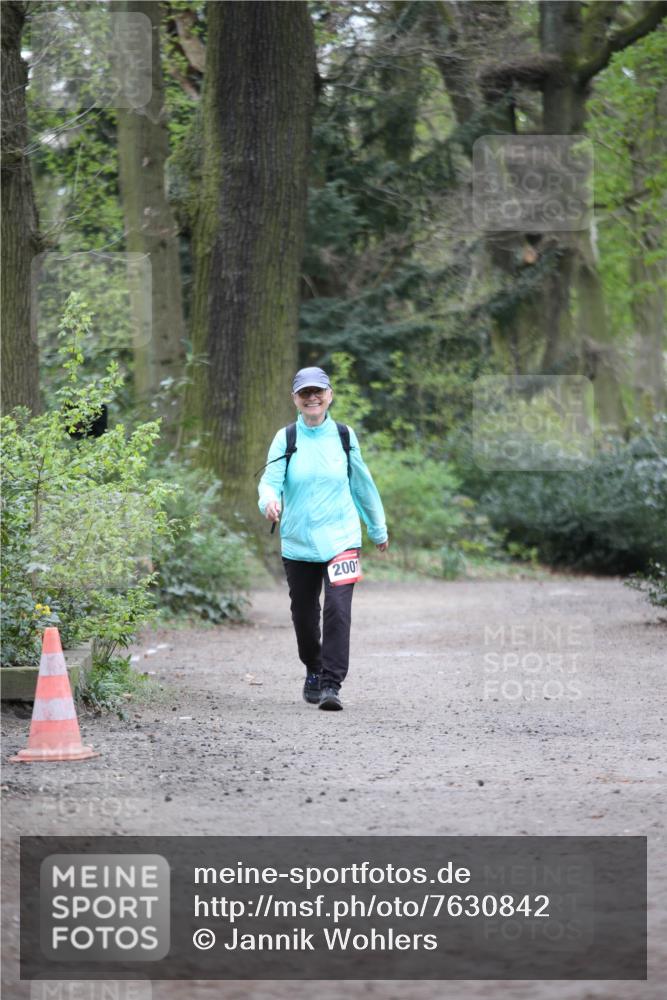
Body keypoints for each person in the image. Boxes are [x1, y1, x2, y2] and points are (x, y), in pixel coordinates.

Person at [258, 367, 388, 711]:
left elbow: (362, 484)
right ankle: (313, 667)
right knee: (303, 614)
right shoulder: (286, 438)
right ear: (295, 400)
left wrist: (377, 529)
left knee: (337, 611)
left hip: (342, 538)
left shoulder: (344, 436)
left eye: (319, 392)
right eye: (305, 393)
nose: (312, 398)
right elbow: (270, 481)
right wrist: (269, 501)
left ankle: (331, 684)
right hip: (298, 541)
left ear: (329, 395)